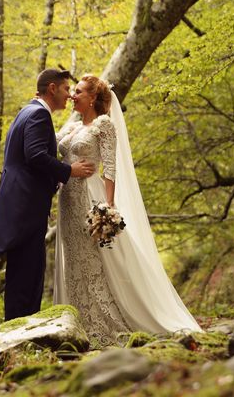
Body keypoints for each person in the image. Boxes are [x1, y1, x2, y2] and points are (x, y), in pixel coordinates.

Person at [54, 74, 203, 344]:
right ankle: (79, 320)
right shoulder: (72, 127)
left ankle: (107, 321)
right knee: (74, 255)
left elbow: (109, 165)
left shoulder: (103, 124)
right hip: (67, 200)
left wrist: (108, 206)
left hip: (90, 195)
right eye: (72, 91)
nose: (73, 96)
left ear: (93, 98)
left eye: (78, 92)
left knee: (97, 257)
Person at [0, 68, 95, 321]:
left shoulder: (27, 111)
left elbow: (29, 153)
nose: (69, 95)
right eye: (67, 89)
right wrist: (69, 170)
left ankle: (15, 327)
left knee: (22, 270)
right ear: (52, 89)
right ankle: (23, 331)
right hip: (25, 204)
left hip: (17, 202)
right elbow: (34, 155)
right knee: (29, 270)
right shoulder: (38, 115)